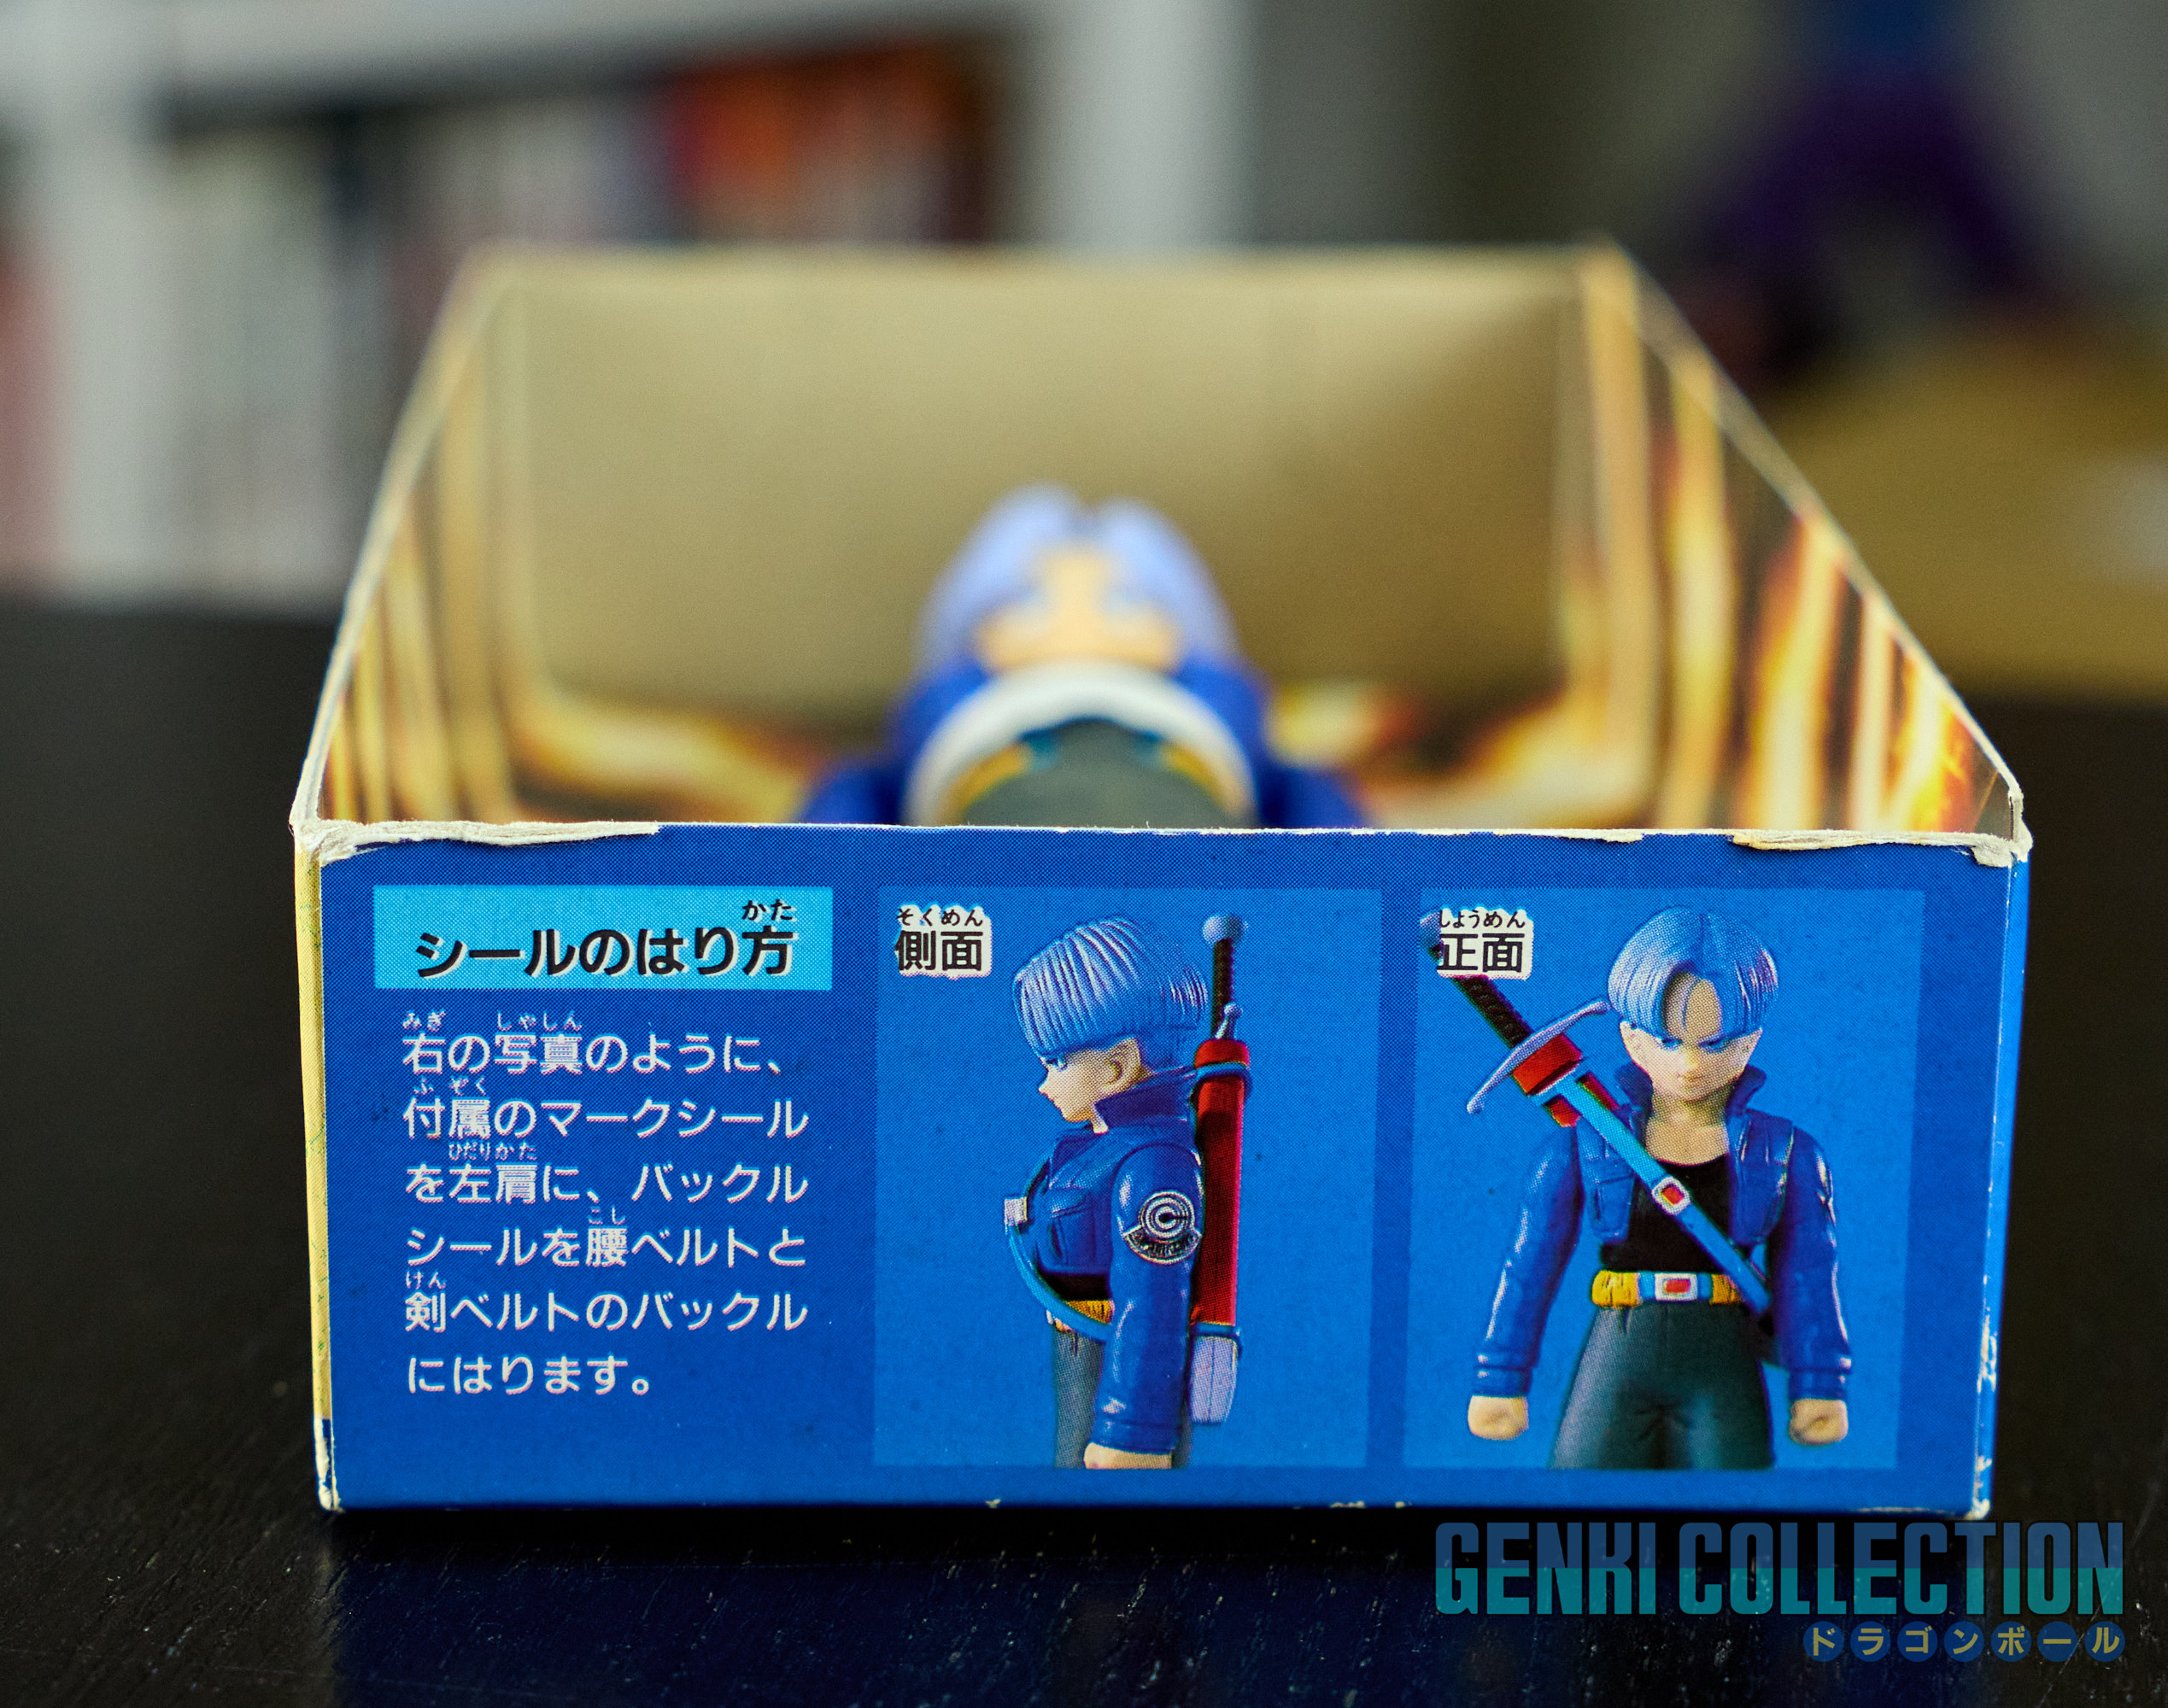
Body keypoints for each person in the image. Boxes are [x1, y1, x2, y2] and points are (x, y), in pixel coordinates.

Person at [1465, 908, 1850, 1469]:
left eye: (1715, 1043)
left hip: (1721, 1352)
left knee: (1731, 1502)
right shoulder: (1581, 1146)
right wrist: (1499, 1376)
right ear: (1632, 1039)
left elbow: (1809, 1270)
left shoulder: (1788, 1151)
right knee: (1581, 1497)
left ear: (1749, 1043)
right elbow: (1529, 1264)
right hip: (1620, 1346)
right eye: (1668, 1041)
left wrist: (1821, 1382)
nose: (1690, 1065)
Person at [799, 485, 1362, 828]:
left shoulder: (1204, 695)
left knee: (1066, 521)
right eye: (1033, 604)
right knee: (1056, 519)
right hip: (1032, 782)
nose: (1077, 618)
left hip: (1147, 780)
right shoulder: (960, 698)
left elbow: (1312, 797)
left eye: (1118, 603)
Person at [1005, 917, 1210, 1468]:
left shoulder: (1152, 1166)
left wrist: (1132, 1433)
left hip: (1109, 1359)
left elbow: (1153, 1304)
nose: (1044, 1084)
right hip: (1081, 1349)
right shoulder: (1102, 1149)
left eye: (1058, 1063)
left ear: (1118, 1068)